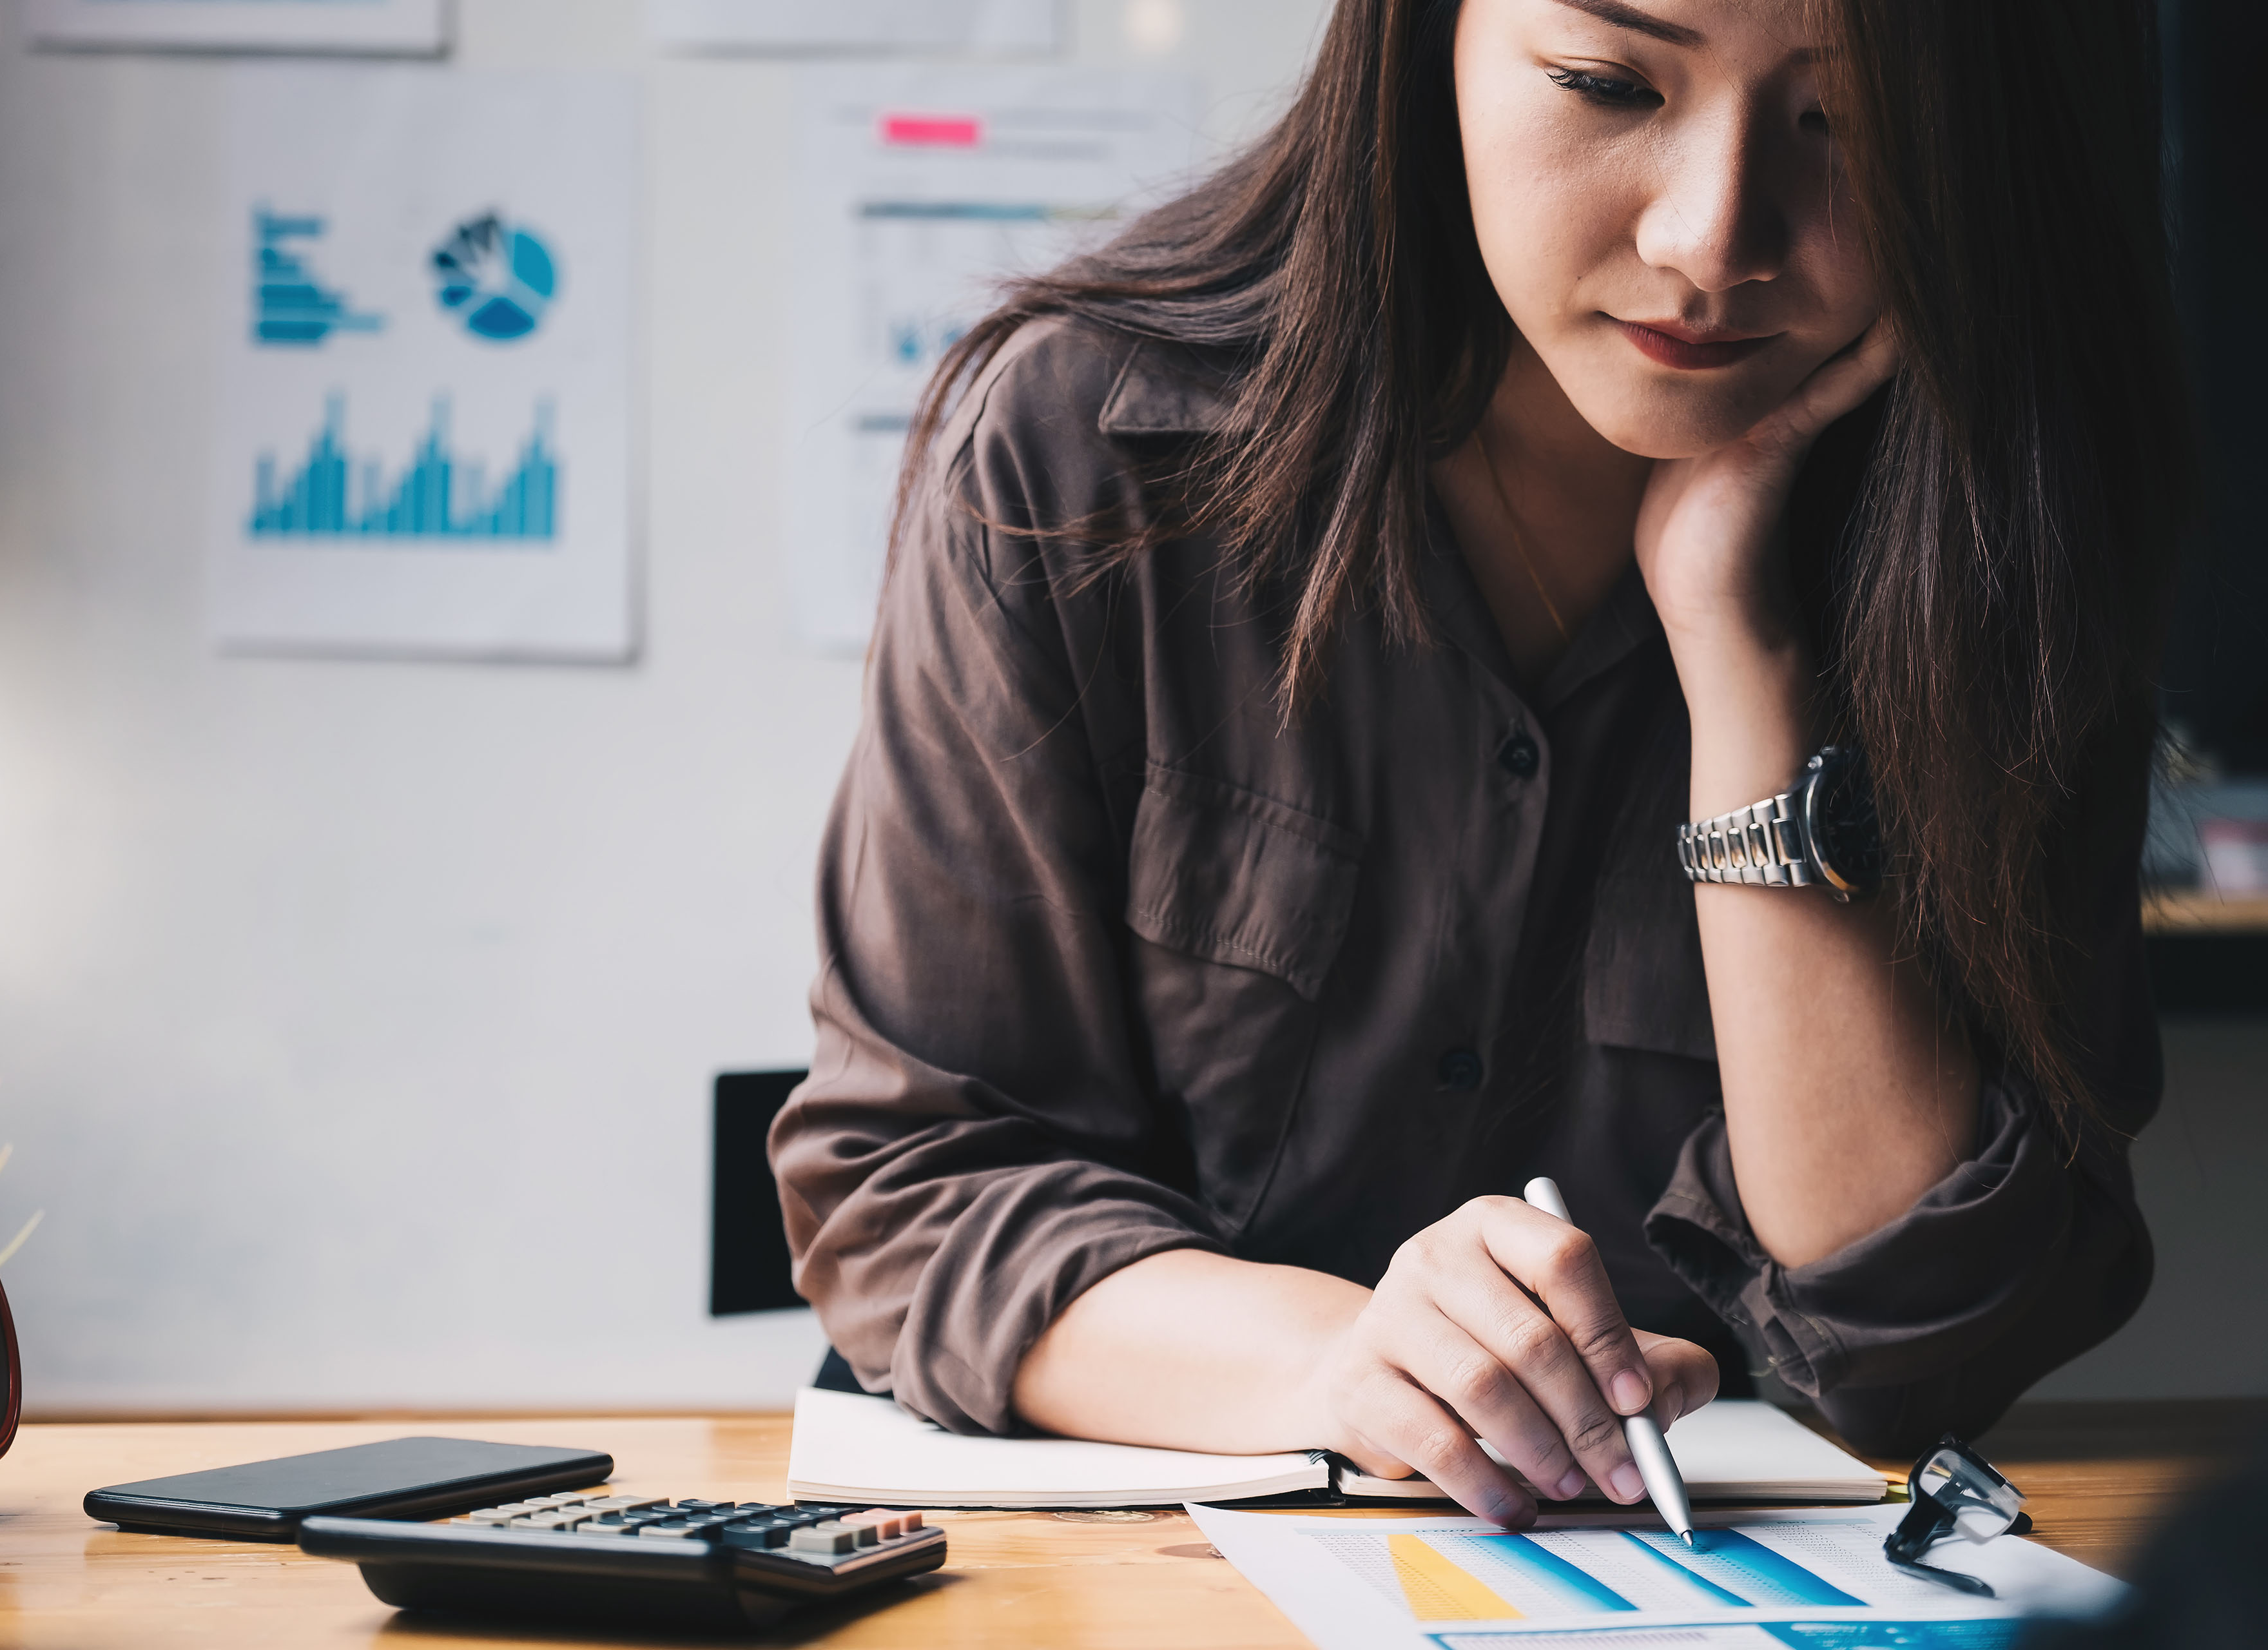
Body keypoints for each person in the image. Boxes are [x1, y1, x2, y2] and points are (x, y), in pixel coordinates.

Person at [771, 0, 2184, 1529]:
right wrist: (1349, 1362)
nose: (1714, 238)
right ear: (1423, 42)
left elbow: (1923, 1341)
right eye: (1605, 83)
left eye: (1846, 124)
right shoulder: (1081, 446)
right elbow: (912, 1185)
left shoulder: (2009, 522)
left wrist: (1738, 654)